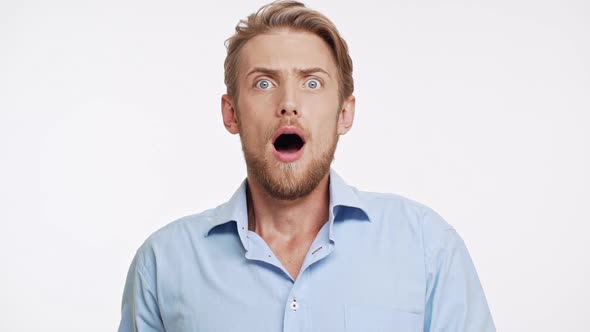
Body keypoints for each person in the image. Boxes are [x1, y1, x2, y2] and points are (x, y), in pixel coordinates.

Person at [118, 1, 496, 331]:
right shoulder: (162, 263)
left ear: (344, 113)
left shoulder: (427, 247)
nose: (289, 104)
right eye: (264, 84)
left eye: (312, 83)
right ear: (231, 113)